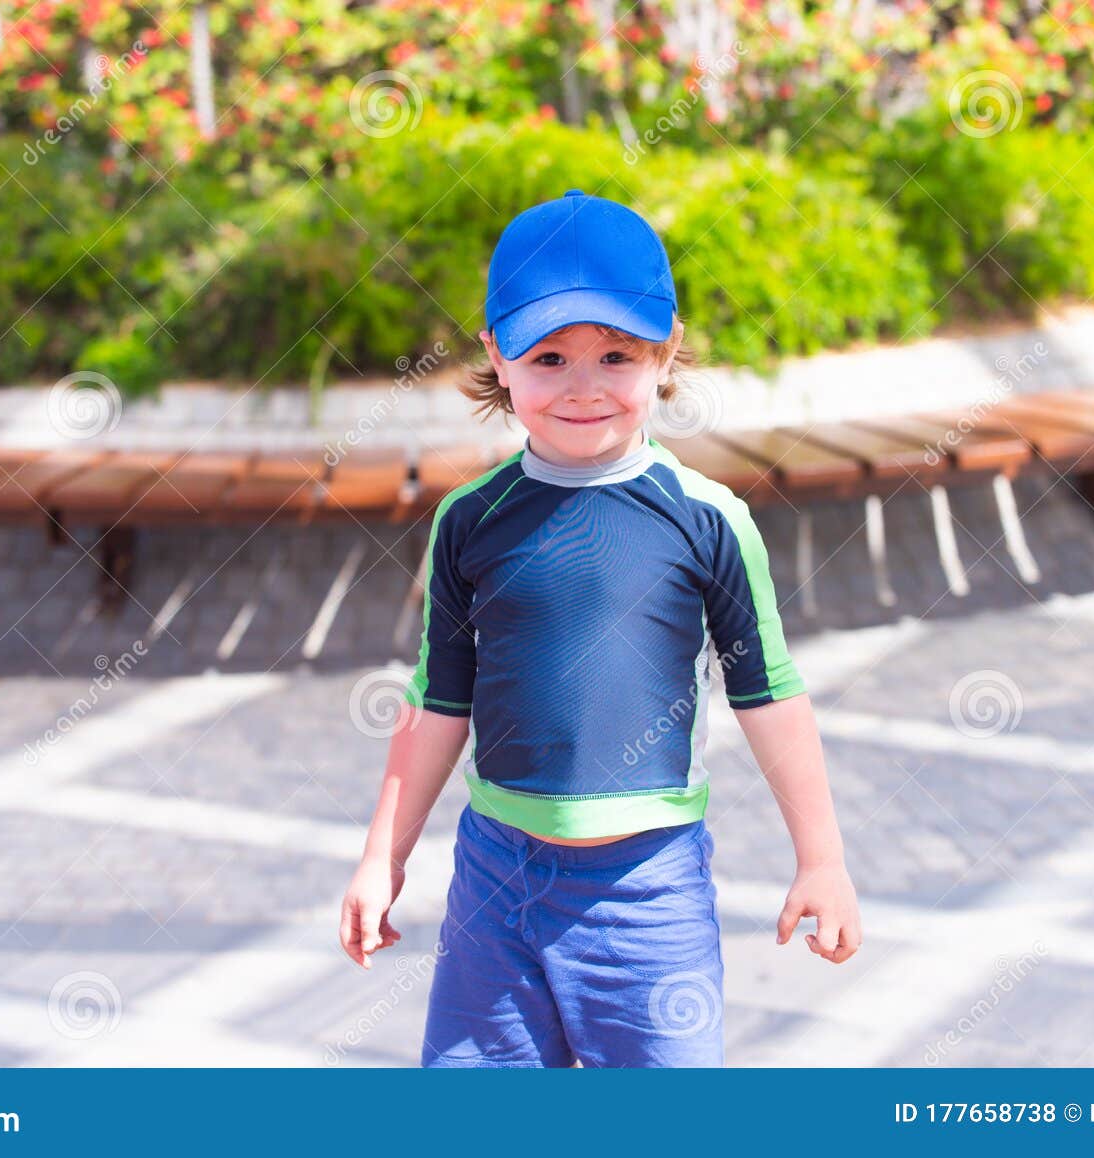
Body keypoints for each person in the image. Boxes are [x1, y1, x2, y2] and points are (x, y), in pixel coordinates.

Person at [339, 188, 861, 1067]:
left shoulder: (707, 519)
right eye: (548, 358)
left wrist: (823, 860)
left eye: (616, 355)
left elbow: (770, 696)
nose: (584, 389)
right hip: (494, 885)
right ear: (498, 356)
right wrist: (381, 859)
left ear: (665, 354)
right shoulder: (470, 520)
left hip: (647, 897)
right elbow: (437, 702)